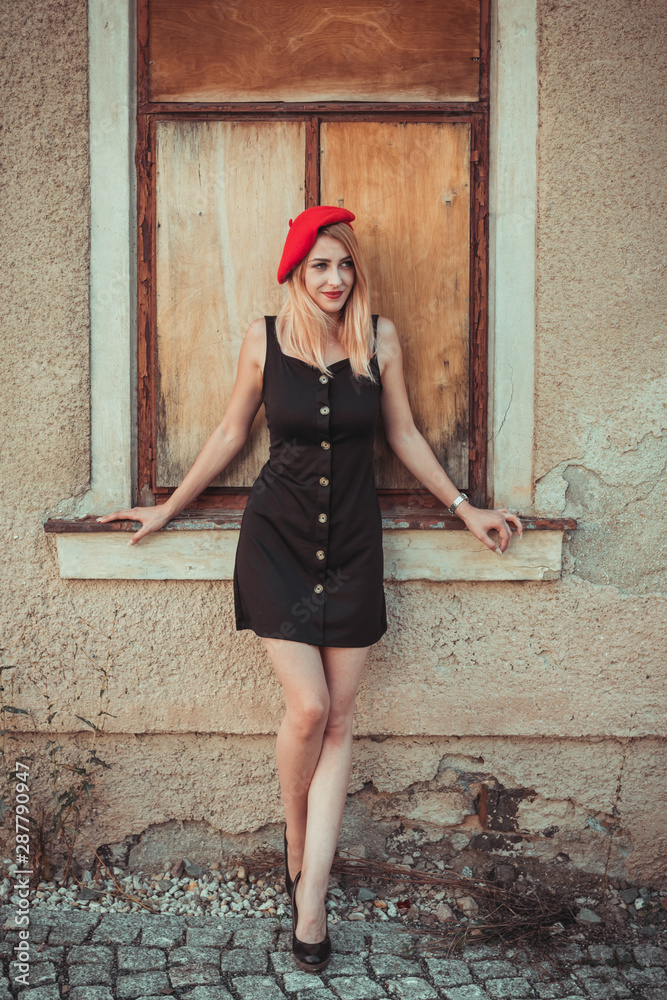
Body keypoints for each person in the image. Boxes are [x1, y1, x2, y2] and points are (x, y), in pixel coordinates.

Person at [98, 205, 523, 972]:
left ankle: (312, 899)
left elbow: (401, 436)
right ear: (295, 272)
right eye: (318, 265)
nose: (334, 278)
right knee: (309, 708)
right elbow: (232, 433)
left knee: (338, 721)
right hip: (276, 542)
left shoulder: (377, 339)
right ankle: (297, 840)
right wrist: (165, 508)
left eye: (343, 264)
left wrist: (465, 509)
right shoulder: (263, 339)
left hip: (355, 547)